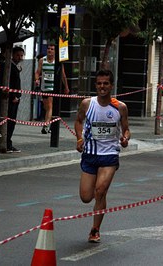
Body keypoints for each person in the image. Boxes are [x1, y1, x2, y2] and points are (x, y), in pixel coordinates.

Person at [74, 69, 130, 243]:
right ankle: (100, 199)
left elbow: (126, 129)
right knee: (86, 197)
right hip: (90, 154)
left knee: (100, 190)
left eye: (106, 83)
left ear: (111, 85)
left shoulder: (120, 107)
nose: (102, 87)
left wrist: (125, 138)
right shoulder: (87, 104)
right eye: (99, 83)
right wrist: (79, 138)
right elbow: (78, 121)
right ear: (95, 85)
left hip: (109, 155)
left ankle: (95, 229)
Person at [0, 46, 23, 153]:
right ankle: (6, 143)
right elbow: (4, 82)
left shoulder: (13, 65)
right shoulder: (5, 64)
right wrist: (13, 96)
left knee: (11, 122)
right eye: (17, 55)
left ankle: (7, 142)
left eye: (21, 55)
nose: (19, 57)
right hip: (9, 99)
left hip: (14, 98)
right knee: (8, 122)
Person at [35, 44, 69, 134]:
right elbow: (38, 72)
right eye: (48, 49)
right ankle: (49, 124)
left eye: (52, 49)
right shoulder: (42, 60)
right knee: (46, 107)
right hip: (44, 87)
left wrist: (66, 87)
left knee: (50, 106)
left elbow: (63, 75)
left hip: (53, 88)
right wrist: (37, 79)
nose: (50, 50)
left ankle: (45, 126)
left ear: (55, 51)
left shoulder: (58, 62)